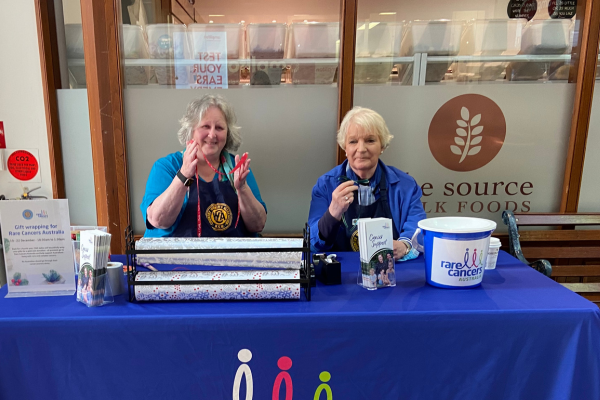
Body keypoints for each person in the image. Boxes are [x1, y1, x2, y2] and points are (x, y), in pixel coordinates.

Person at [308, 106, 426, 260]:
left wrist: (404, 245)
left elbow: (418, 229)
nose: (361, 149)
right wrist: (333, 214)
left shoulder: (406, 186)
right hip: (341, 274)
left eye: (370, 140)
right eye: (353, 141)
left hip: (390, 271)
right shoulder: (325, 185)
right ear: (345, 147)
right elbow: (313, 244)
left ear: (382, 146)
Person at [141, 95, 267, 237]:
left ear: (228, 133)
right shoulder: (167, 167)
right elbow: (158, 220)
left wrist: (242, 189)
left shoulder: (237, 168)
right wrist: (183, 176)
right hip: (175, 258)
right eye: (205, 126)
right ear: (191, 131)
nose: (212, 135)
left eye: (219, 128)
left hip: (230, 258)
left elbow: (258, 224)